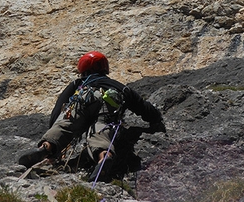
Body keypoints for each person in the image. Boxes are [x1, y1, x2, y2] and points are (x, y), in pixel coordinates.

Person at [18, 51, 165, 182]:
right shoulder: (118, 86)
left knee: (66, 124)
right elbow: (142, 107)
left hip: (83, 98)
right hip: (108, 103)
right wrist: (156, 119)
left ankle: (45, 147)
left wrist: (53, 128)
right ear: (105, 68)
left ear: (82, 69)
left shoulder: (78, 83)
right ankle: (103, 157)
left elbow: (59, 108)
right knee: (100, 130)